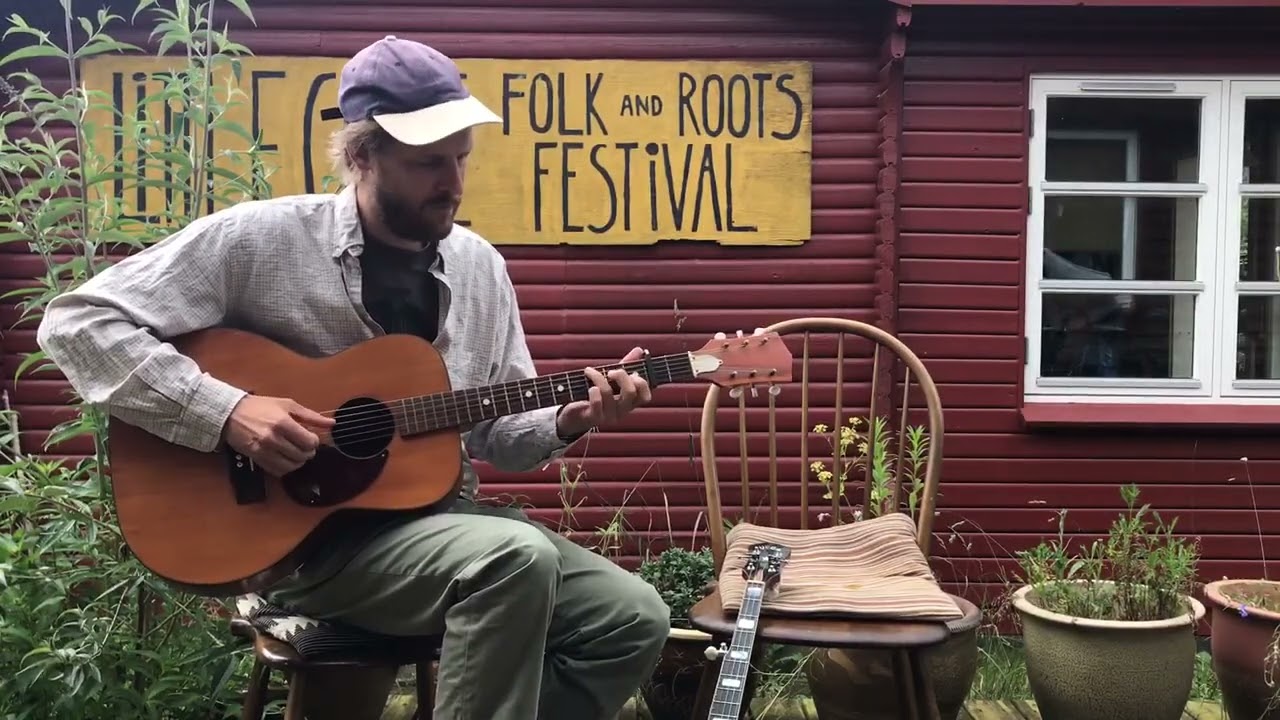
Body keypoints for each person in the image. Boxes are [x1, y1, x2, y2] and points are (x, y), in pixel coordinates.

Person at [35, 36, 671, 720]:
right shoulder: (262, 239)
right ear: (363, 154)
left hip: (436, 530)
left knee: (631, 618)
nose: (453, 184)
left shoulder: (479, 267)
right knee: (512, 557)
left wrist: (570, 420)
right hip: (303, 548)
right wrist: (227, 411)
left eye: (461, 159)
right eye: (429, 163)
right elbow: (76, 323)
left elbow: (494, 435)